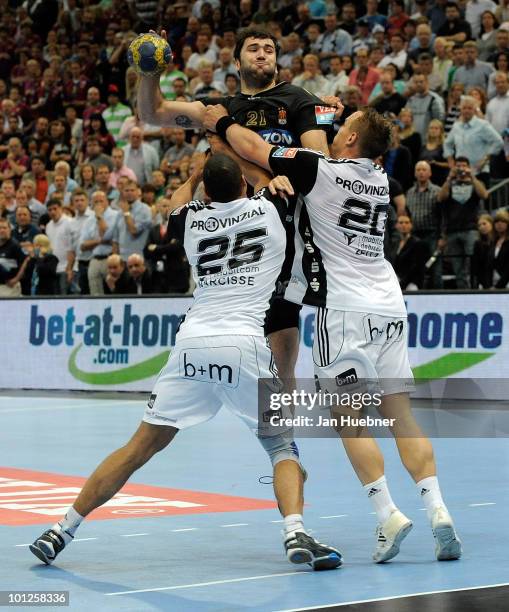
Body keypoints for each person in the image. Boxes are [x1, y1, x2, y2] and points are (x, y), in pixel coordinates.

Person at [30, 154, 341, 571]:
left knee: (139, 446)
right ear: (245, 187)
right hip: (244, 341)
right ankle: (295, 532)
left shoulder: (192, 220)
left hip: (193, 342)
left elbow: (178, 197)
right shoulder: (269, 209)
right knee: (280, 444)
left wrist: (197, 172)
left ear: (206, 192)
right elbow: (270, 175)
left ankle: (60, 529)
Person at [204, 105, 462, 563]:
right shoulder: (381, 180)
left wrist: (222, 125)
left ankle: (387, 515)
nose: (337, 130)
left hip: (342, 311)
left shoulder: (316, 169)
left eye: (344, 126)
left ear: (350, 139)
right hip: (389, 302)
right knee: (402, 416)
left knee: (351, 419)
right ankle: (439, 511)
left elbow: (255, 149)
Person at [138, 26, 340, 385]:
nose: (262, 54)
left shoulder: (299, 100)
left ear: (277, 62)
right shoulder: (219, 108)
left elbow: (318, 160)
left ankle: (283, 404)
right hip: (231, 234)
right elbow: (153, 113)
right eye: (253, 49)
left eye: (268, 50)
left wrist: (236, 152)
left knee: (280, 324)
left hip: (282, 226)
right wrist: (149, 71)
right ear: (236, 61)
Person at [438, 156, 489, 288]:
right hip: (452, 230)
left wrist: (472, 176)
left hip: (471, 229)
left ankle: (475, 288)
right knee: (457, 267)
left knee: (473, 263)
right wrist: (449, 178)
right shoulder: (450, 183)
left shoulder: (475, 183)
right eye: (458, 166)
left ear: (468, 167)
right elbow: (440, 197)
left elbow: (484, 195)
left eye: (464, 166)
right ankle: (463, 291)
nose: (461, 169)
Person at [391, 215, 429, 290]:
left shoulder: (417, 243)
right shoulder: (394, 243)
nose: (404, 225)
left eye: (407, 222)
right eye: (401, 222)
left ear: (411, 225)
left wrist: (402, 283)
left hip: (412, 282)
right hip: (396, 279)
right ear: (396, 225)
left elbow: (416, 267)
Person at [0, 217, 29, 296]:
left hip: (9, 288)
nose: (2, 230)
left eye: (4, 228)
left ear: (9, 230)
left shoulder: (15, 245)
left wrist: (16, 279)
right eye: (0, 228)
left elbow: (26, 260)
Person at [471, 213, 495, 288]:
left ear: (492, 224)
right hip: (484, 282)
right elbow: (475, 267)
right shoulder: (477, 244)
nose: (481, 227)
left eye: (484, 224)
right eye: (479, 225)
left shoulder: (498, 242)